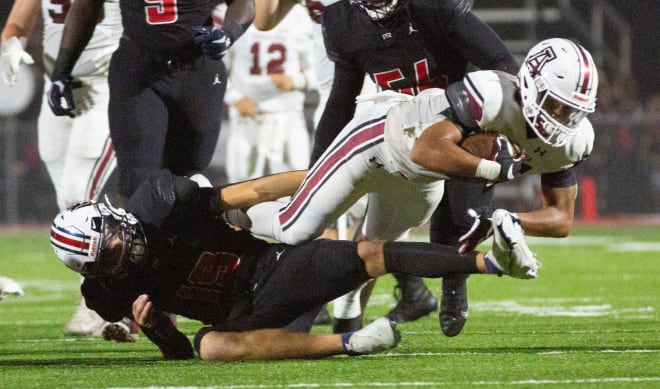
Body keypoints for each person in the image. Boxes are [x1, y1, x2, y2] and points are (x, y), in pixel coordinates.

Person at [235, 38, 597, 330]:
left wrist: (507, 220)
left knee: (370, 252)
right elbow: (426, 149)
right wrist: (496, 171)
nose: (563, 118)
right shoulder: (493, 94)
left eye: (573, 110)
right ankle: (232, 215)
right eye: (557, 105)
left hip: (421, 183)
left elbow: (561, 219)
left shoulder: (573, 141)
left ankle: (346, 327)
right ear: (532, 84)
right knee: (296, 228)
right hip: (380, 141)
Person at [49, 168, 539, 360]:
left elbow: (254, 192)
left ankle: (492, 263)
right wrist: (156, 326)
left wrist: (331, 176)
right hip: (243, 320)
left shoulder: (162, 205)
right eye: (108, 261)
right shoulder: (106, 294)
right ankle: (350, 342)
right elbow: (177, 356)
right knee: (211, 347)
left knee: (370, 252)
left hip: (274, 269)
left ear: (115, 219)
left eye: (114, 243)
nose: (122, 255)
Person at [254, 0, 519, 333]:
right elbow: (341, 100)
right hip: (394, 136)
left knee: (456, 223)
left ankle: (447, 284)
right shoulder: (341, 20)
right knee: (304, 223)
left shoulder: (434, 9)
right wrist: (316, 165)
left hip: (454, 129)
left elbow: (501, 63)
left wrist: (498, 124)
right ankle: (228, 216)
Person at [46, 0, 255, 205]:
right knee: (136, 178)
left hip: (198, 67)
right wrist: (61, 69)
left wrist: (228, 33)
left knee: (191, 170)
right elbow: (87, 6)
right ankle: (130, 237)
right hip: (138, 69)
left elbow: (243, 3)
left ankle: (179, 235)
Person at [1, 0, 121, 339]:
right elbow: (17, 23)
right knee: (67, 204)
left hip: (103, 88)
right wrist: (11, 45)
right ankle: (106, 292)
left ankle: (102, 301)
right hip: (57, 92)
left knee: (78, 195)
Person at [221, 3, 316, 182]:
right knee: (240, 183)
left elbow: (320, 71)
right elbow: (216, 71)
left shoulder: (299, 15)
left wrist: (295, 80)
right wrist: (235, 98)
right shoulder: (236, 11)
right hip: (247, 115)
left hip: (288, 114)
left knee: (295, 182)